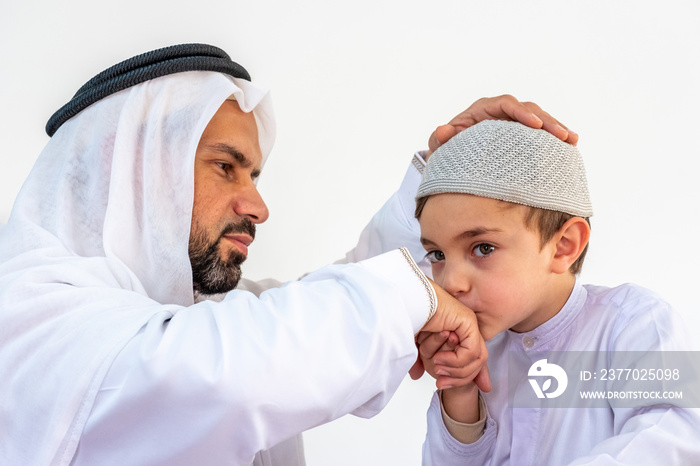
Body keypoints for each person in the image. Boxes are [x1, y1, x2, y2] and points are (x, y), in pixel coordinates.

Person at [0, 44, 575, 466]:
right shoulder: (29, 316)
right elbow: (220, 374)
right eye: (226, 167)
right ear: (129, 169)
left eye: (254, 173)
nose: (257, 205)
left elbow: (323, 306)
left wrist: (440, 178)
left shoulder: (204, 312)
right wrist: (412, 298)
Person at [414, 120, 700, 464]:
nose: (450, 283)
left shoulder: (634, 322)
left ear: (564, 246)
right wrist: (459, 392)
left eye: (483, 248)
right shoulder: (476, 351)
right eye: (438, 255)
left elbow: (674, 437)